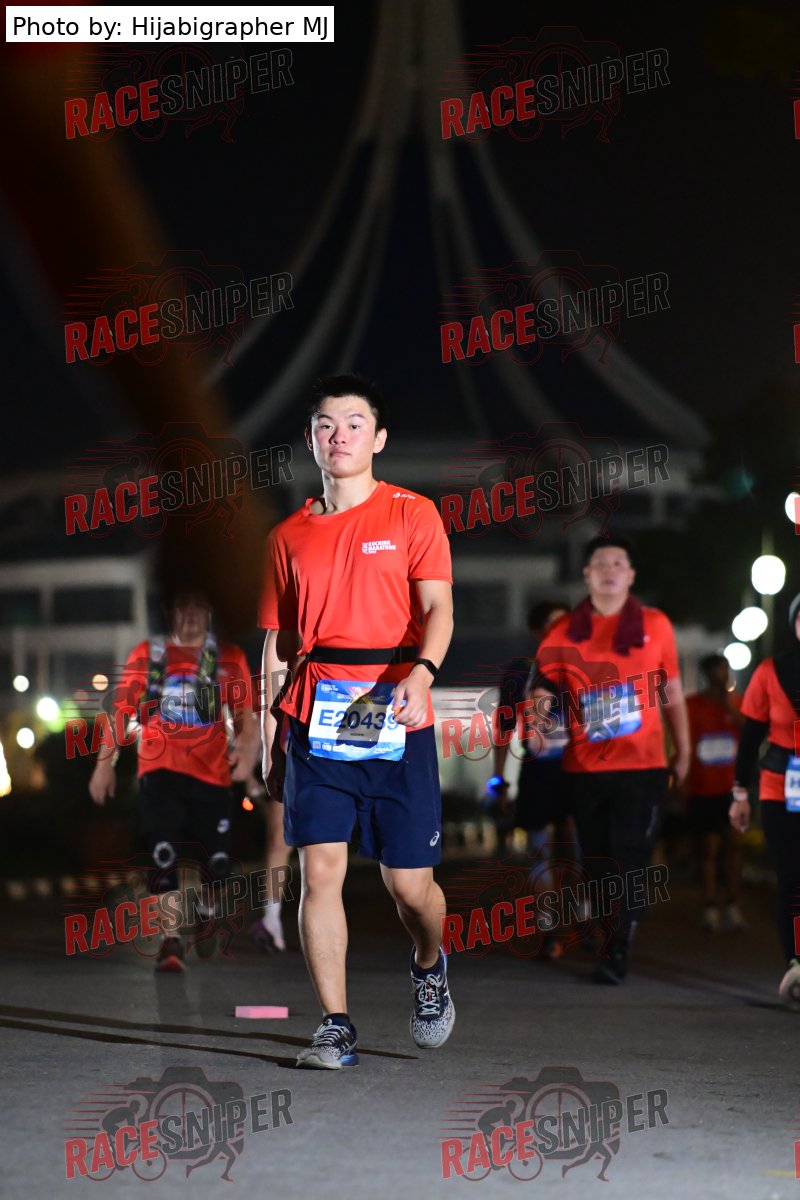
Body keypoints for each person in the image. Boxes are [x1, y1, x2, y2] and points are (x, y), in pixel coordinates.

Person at [259, 373, 455, 1068]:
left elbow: (439, 609)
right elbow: (277, 644)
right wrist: (269, 738)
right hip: (316, 717)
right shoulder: (287, 535)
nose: (338, 436)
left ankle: (429, 962)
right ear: (311, 439)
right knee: (320, 873)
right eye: (325, 424)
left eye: (353, 424)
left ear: (379, 438)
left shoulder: (412, 515)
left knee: (409, 887)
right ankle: (335, 1025)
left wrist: (422, 674)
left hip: (398, 710)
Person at [532, 535, 690, 984]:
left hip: (643, 765)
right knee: (598, 862)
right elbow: (542, 686)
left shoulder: (655, 624)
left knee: (629, 854)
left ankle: (618, 948)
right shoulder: (565, 632)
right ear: (587, 574)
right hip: (587, 768)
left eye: (618, 563)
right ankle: (611, 932)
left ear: (631, 574)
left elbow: (672, 690)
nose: (609, 570)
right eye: (600, 563)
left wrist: (684, 750)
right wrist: (537, 722)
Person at [88, 586, 259, 970]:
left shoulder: (228, 656)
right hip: (159, 768)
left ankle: (206, 911)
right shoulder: (148, 655)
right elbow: (120, 713)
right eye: (183, 606)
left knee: (216, 865)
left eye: (199, 605)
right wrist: (104, 765)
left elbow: (245, 714)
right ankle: (171, 940)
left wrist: (247, 757)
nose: (191, 614)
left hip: (212, 774)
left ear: (210, 610)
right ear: (170, 610)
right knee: (162, 854)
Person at [487, 601, 572, 956]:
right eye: (552, 625)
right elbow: (504, 727)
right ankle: (548, 927)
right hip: (539, 770)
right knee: (540, 851)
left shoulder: (586, 667)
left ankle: (588, 920)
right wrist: (498, 781)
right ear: (537, 631)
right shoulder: (521, 671)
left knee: (580, 849)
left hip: (580, 771)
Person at [730, 593, 800, 1009]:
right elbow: (750, 737)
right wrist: (739, 793)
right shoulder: (771, 672)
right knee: (792, 878)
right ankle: (797, 963)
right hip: (782, 789)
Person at [685, 653, 744, 932]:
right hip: (703, 787)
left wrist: (730, 707)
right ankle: (709, 906)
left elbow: (751, 733)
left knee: (734, 845)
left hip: (733, 788)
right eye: (715, 672)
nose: (720, 677)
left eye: (724, 671)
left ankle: (732, 904)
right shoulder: (692, 706)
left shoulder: (738, 703)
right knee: (708, 848)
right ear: (707, 675)